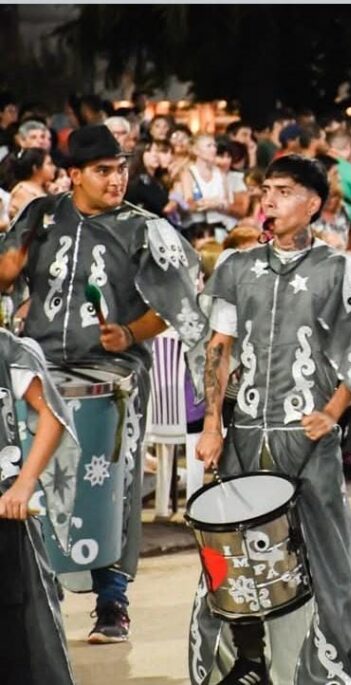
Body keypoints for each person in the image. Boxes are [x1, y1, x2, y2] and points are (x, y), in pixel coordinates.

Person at [0, 124, 205, 644]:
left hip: (115, 375)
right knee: (31, 482)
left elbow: (180, 304)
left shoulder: (145, 229)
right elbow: (6, 272)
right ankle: (37, 594)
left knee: (114, 482)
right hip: (42, 371)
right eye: (103, 171)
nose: (117, 180)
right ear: (74, 176)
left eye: (121, 170)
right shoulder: (41, 216)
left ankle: (113, 600)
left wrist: (130, 332)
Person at [193, 155, 351, 685]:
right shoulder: (237, 267)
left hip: (305, 438)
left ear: (313, 204)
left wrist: (332, 411)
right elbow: (219, 347)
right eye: (266, 191)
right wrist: (212, 424)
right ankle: (250, 661)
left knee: (326, 557)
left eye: (284, 191)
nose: (271, 201)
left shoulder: (339, 269)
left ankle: (335, 667)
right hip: (245, 433)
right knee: (236, 553)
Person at [0, 329, 81, 685]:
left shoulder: (7, 349)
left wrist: (24, 483)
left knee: (31, 641)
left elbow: (52, 415)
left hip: (7, 518)